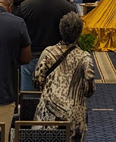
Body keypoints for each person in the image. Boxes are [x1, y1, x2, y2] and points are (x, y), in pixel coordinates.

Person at [33, 12, 96, 142]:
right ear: (79, 35)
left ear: (61, 31)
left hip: (48, 113)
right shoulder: (85, 58)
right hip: (74, 116)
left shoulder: (48, 52)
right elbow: (89, 90)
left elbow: (37, 82)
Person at [15, 0, 75, 92]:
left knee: (29, 99)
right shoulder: (68, 8)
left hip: (31, 57)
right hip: (59, 59)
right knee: (57, 100)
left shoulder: (25, 6)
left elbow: (17, 34)